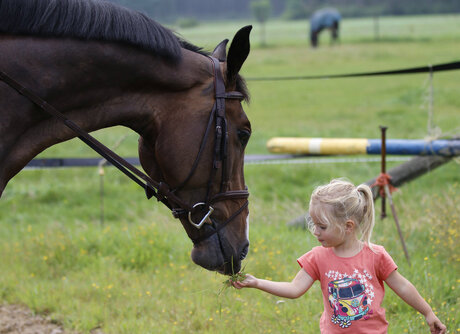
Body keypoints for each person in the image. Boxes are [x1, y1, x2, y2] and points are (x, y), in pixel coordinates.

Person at [232, 179, 447, 333]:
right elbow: (294, 289)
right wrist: (257, 282)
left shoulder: (375, 255)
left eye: (322, 226)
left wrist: (428, 313)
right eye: (313, 224)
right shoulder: (317, 257)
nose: (315, 231)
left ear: (348, 226)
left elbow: (402, 286)